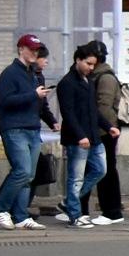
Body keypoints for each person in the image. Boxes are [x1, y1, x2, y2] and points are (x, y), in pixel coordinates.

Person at [0, 33, 52, 232]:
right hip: (14, 129)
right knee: (22, 171)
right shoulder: (10, 73)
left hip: (32, 128)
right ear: (21, 49)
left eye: (37, 49)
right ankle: (1, 209)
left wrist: (49, 117)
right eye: (32, 49)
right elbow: (4, 101)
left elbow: (38, 103)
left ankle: (20, 216)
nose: (35, 52)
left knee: (29, 176)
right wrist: (33, 95)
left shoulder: (32, 73)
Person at [52, 41, 106, 227]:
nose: (91, 68)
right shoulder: (67, 83)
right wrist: (80, 135)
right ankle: (75, 215)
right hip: (78, 138)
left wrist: (108, 126)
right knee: (75, 177)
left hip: (93, 136)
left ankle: (69, 203)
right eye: (88, 64)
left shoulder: (88, 82)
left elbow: (94, 110)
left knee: (100, 170)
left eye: (93, 65)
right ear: (78, 60)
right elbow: (68, 113)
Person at [88, 42, 129, 224]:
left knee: (106, 171)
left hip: (105, 132)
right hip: (105, 130)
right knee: (102, 170)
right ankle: (110, 210)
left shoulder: (105, 78)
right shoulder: (97, 75)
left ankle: (112, 211)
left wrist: (100, 130)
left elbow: (104, 108)